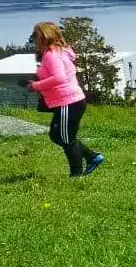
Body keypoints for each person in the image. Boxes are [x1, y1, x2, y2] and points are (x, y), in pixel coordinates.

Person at [28, 22, 104, 178]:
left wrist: (36, 85)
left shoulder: (52, 55)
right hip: (68, 102)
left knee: (65, 138)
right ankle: (92, 157)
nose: (33, 38)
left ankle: (77, 175)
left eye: (35, 35)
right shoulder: (59, 52)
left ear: (44, 36)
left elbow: (59, 77)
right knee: (56, 135)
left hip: (67, 103)